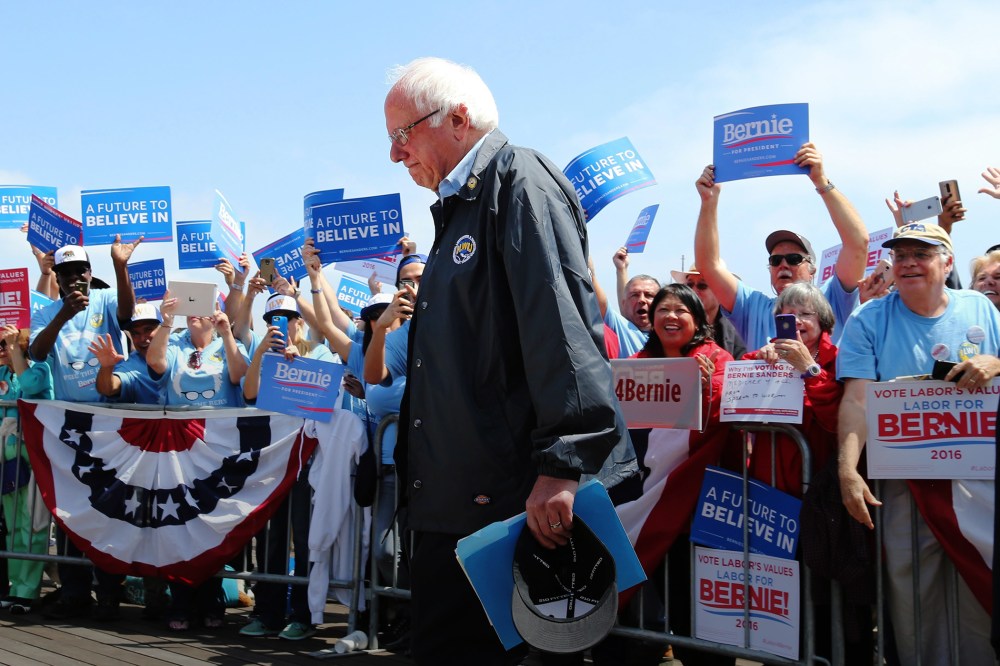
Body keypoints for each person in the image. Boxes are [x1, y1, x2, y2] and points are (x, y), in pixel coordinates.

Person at [381, 57, 633, 664]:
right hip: (461, 501)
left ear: (458, 119)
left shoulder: (518, 180)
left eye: (401, 135)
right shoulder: (460, 208)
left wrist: (564, 464)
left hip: (508, 504)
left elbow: (561, 330)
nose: (395, 155)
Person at [837, 222, 1000, 663]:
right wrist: (848, 470)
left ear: (947, 262)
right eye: (900, 254)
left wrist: (996, 362)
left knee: (977, 585)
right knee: (912, 592)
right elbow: (856, 399)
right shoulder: (868, 317)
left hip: (977, 479)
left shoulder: (982, 309)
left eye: (921, 253)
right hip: (904, 486)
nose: (908, 262)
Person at [30, 240, 140, 621]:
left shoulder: (105, 301)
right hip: (70, 425)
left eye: (82, 271)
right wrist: (61, 315)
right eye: (68, 273)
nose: (76, 278)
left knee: (109, 510)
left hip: (110, 425)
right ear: (57, 278)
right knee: (73, 509)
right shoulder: (46, 310)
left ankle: (109, 590)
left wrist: (120, 266)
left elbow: (127, 314)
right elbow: (37, 353)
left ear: (91, 274)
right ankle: (75, 591)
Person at [693, 148, 869, 350]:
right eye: (775, 261)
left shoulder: (834, 298)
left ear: (812, 269)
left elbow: (858, 243)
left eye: (794, 259)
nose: (783, 265)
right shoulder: (753, 307)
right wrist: (709, 201)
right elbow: (708, 266)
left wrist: (821, 181)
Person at [240, 293, 335, 641]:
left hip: (308, 465)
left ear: (299, 321)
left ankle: (303, 614)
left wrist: (301, 368)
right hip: (272, 465)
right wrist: (262, 355)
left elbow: (327, 398)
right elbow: (249, 393)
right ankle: (267, 612)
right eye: (272, 319)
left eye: (287, 318)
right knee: (271, 539)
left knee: (305, 539)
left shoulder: (319, 352)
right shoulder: (262, 353)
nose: (280, 325)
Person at [0, 325, 52, 615]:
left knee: (33, 525)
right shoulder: (4, 373)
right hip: (8, 461)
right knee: (13, 527)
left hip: (35, 457)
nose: (2, 349)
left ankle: (28, 591)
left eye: (6, 343)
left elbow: (32, 387)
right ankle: (16, 586)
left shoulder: (42, 367)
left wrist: (16, 351)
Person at [670, 262, 745, 360]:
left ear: (721, 293)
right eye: (689, 285)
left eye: (702, 285)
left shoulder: (739, 332)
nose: (694, 291)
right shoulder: (671, 326)